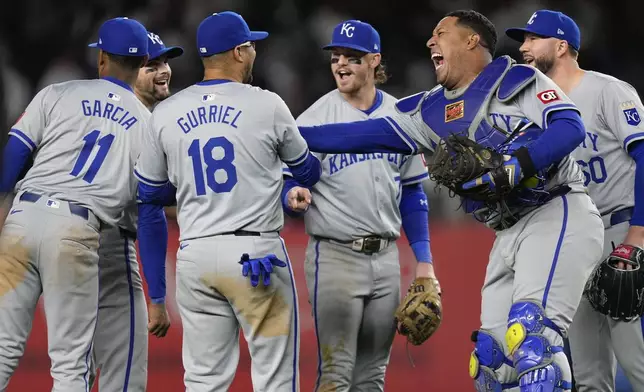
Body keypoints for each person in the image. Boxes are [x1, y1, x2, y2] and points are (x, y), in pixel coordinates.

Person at [296, 9, 606, 392]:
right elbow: (356, 136)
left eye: (440, 33)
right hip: (506, 231)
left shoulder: (518, 79)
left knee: (532, 341)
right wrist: (284, 133)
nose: (430, 42)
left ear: (471, 40)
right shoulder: (429, 110)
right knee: (492, 363)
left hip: (556, 210)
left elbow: (569, 127)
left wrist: (516, 165)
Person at [133, 11, 322, 391]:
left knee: (204, 381)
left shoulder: (166, 112)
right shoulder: (267, 104)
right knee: (275, 378)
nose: (254, 52)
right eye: (250, 45)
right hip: (256, 254)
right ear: (238, 51)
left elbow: (150, 196)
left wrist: (189, 185)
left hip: (195, 254)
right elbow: (308, 172)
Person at [0, 17, 151, 390]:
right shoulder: (147, 122)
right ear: (143, 62)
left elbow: (16, 153)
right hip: (75, 229)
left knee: (2, 348)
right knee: (69, 365)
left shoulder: (59, 92)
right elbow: (150, 199)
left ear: (101, 57)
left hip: (22, 218)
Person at [281, 19, 432, 391]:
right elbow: (288, 181)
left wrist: (424, 261)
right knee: (336, 371)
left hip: (386, 257)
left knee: (372, 376)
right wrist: (291, 196)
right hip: (335, 256)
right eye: (336, 57)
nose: (341, 65)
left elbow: (413, 193)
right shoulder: (314, 119)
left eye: (352, 57)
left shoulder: (400, 117)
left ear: (374, 61)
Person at [506, 10, 644, 392]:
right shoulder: (532, 108)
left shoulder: (607, 91)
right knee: (588, 375)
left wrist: (638, 235)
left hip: (620, 231)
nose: (524, 48)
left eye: (533, 39)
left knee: (637, 361)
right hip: (572, 239)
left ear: (561, 45)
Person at [89, 30, 183, 391]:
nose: (163, 71)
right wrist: (157, 297)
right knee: (124, 372)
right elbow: (150, 208)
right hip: (108, 245)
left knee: (72, 368)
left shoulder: (83, 107)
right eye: (151, 64)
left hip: (60, 233)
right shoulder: (146, 123)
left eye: (165, 62)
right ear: (130, 67)